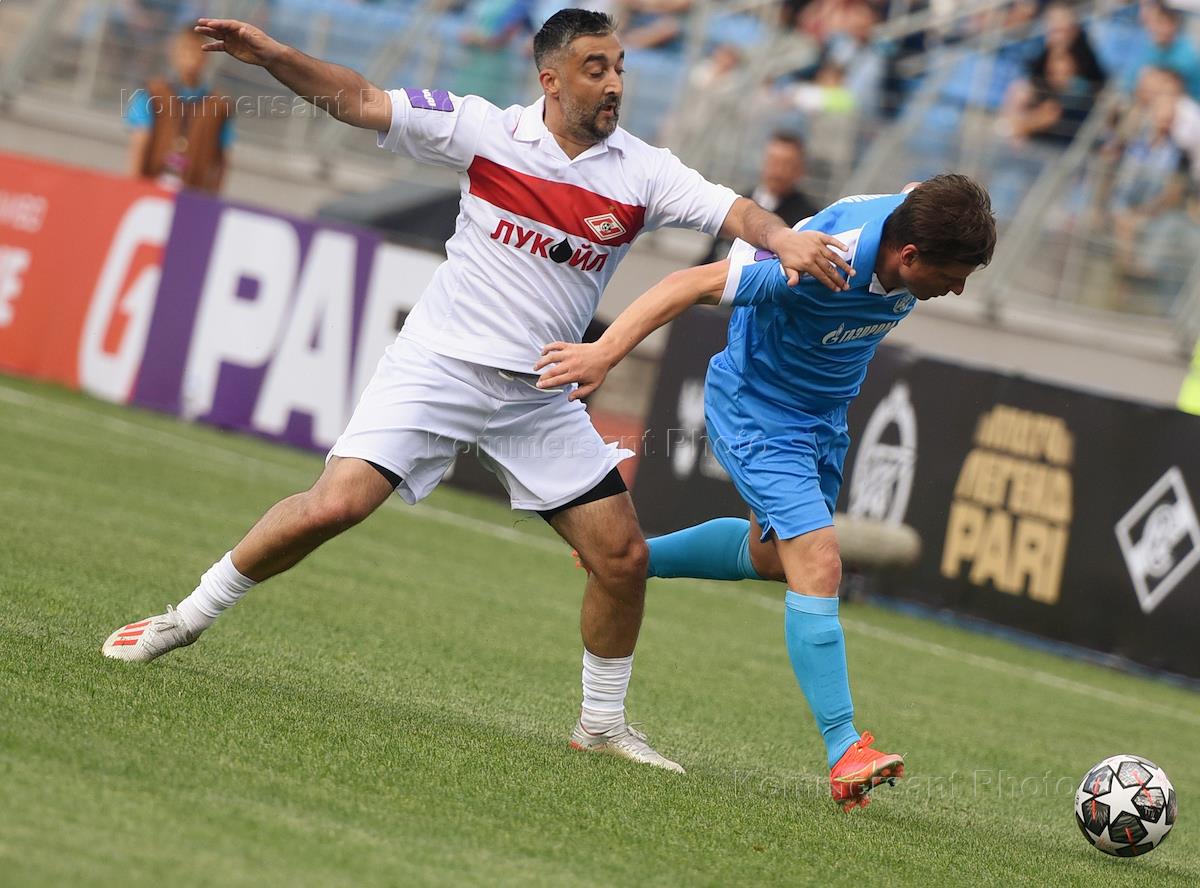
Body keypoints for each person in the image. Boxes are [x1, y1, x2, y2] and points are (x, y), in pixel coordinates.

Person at [101, 9, 853, 776]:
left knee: (623, 558)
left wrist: (781, 237)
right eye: (596, 68)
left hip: (539, 394)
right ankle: (185, 618)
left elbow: (735, 210)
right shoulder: (484, 130)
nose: (615, 84)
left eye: (621, 68)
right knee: (334, 506)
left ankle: (600, 726)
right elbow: (360, 100)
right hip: (439, 366)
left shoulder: (644, 171)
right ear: (550, 80)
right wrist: (272, 56)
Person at [535, 174, 997, 808]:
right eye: (952, 275)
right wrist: (603, 353)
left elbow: (919, 189)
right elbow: (687, 285)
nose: (959, 288)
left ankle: (628, 560)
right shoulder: (816, 264)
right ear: (909, 256)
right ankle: (845, 750)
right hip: (758, 412)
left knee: (773, 557)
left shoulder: (914, 218)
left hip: (822, 418)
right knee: (820, 561)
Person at [125, 25, 234, 193]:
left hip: (193, 193)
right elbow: (140, 140)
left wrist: (213, 198)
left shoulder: (220, 106)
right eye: (186, 50)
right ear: (174, 53)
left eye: (197, 52)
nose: (191, 58)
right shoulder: (152, 93)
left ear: (206, 58)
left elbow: (222, 158)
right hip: (151, 188)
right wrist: (133, 188)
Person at [700, 131, 818, 264]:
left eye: (786, 164)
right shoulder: (738, 201)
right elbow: (712, 254)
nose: (778, 171)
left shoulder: (807, 217)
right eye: (774, 162)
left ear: (800, 170)